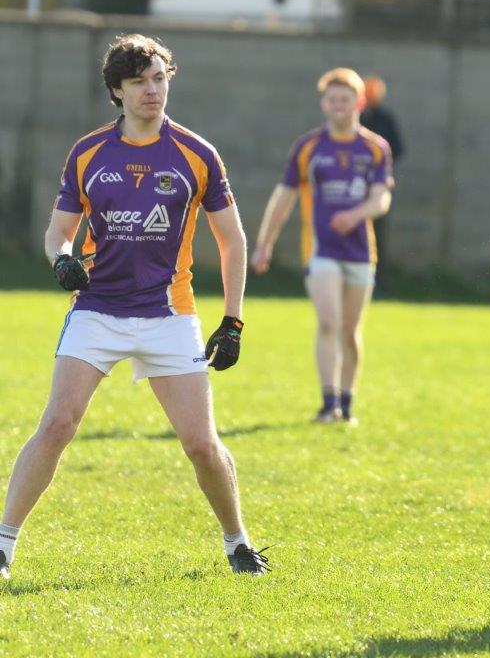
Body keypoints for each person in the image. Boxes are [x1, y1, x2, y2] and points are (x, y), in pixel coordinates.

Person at [0, 34, 268, 579]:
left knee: (200, 443)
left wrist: (233, 321)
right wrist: (62, 260)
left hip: (169, 315)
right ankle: (3, 545)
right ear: (116, 92)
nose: (152, 90)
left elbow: (232, 241)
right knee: (57, 425)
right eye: (139, 81)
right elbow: (58, 232)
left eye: (159, 78)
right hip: (96, 311)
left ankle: (237, 543)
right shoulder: (89, 152)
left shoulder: (197, 154)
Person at [251, 68, 393, 425]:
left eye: (345, 99)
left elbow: (381, 199)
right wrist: (264, 243)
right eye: (332, 100)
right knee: (329, 322)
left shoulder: (375, 148)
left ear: (358, 103)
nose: (338, 106)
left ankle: (346, 404)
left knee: (350, 331)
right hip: (320, 249)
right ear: (324, 104)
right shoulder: (309, 148)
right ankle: (327, 403)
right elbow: (283, 197)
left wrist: (356, 214)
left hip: (361, 252)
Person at [360, 75, 404, 282]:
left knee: (377, 234)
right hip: (352, 185)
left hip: (376, 184)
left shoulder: (385, 119)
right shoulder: (356, 120)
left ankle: (377, 279)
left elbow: (398, 149)